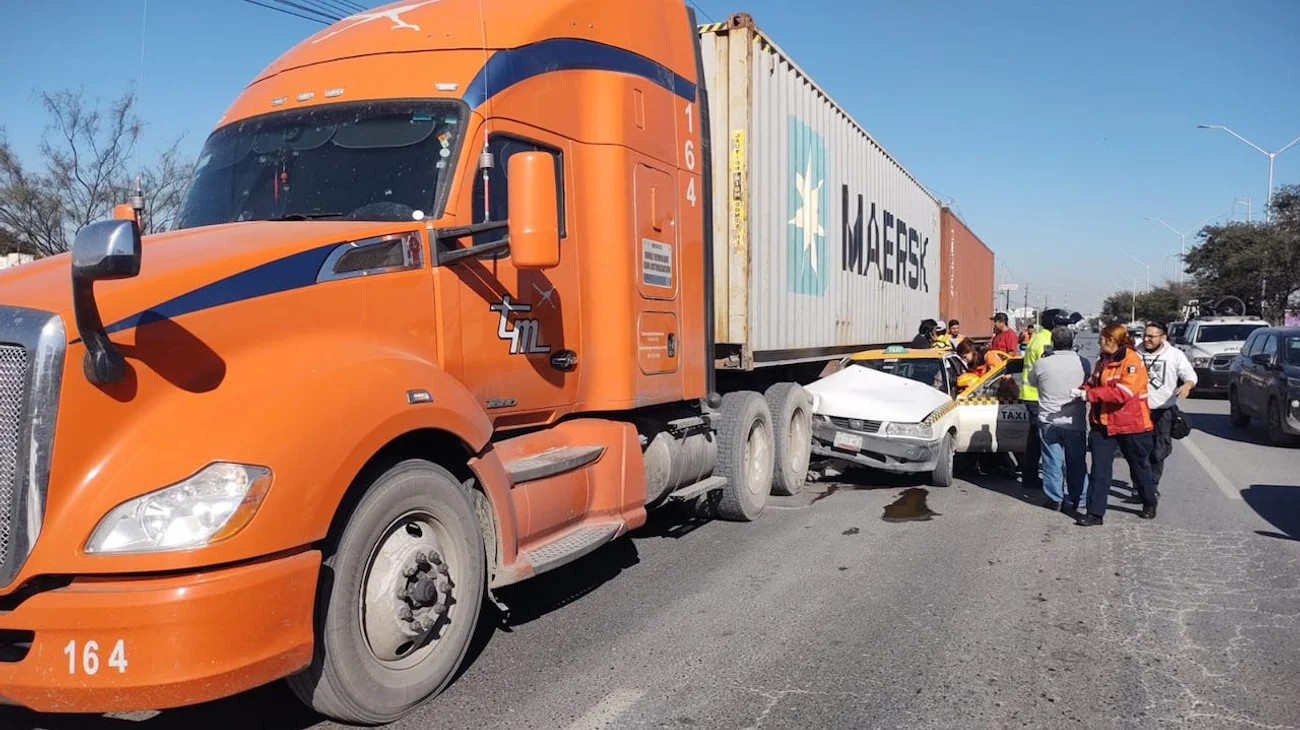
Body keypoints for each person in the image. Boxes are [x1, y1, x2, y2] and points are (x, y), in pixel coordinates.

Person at [1075, 323, 1158, 526]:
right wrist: (1081, 390)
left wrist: (1090, 395)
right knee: (1099, 470)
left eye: (1101, 338)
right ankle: (1095, 513)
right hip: (1102, 423)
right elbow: (1094, 382)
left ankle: (1149, 501)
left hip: (1130, 423)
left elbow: (1123, 393)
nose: (1098, 341)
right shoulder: (1103, 360)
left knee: (1139, 467)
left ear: (1111, 339)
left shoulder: (1131, 361)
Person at [1028, 326, 1091, 513]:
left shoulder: (1042, 363)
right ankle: (1079, 498)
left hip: (1049, 419)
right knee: (1076, 462)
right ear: (1072, 342)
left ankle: (1054, 498)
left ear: (1052, 342)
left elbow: (1032, 382)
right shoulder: (1084, 363)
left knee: (1052, 461)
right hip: (1075, 421)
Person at [1139, 321, 1197, 496]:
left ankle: (1152, 485)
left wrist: (1186, 386)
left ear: (1163, 337)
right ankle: (1141, 484)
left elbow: (1190, 374)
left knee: (1159, 450)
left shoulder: (1174, 355)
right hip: (1138, 411)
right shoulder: (1134, 352)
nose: (1147, 339)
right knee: (1139, 450)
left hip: (1163, 410)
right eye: (1145, 335)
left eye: (1151, 336)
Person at [1019, 313, 1057, 491]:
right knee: (1040, 439)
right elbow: (1047, 370)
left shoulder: (1037, 337)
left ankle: (1030, 474)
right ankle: (1031, 476)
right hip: (1037, 394)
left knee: (1034, 438)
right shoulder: (1045, 341)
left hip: (1032, 393)